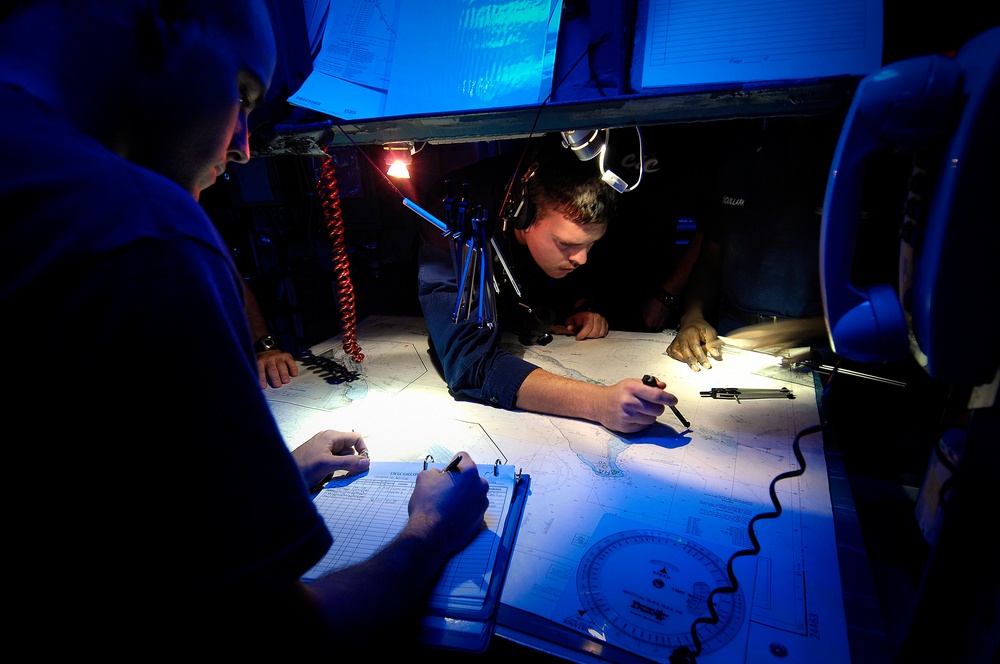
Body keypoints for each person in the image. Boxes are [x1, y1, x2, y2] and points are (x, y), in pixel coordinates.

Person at [0, 0, 488, 655]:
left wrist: (272, 479)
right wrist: (430, 528)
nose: (243, 146)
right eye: (244, 94)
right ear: (164, 22)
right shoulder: (139, 226)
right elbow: (280, 637)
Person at [417, 138, 678, 433]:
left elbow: (586, 263)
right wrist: (599, 403)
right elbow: (470, 365)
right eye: (567, 244)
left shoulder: (568, 210)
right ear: (523, 215)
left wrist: (583, 304)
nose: (582, 259)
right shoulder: (451, 217)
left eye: (592, 244)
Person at [665, 116, 843, 371]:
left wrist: (799, 330)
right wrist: (692, 316)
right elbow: (711, 260)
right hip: (732, 336)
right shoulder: (737, 165)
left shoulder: (839, 178)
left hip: (815, 347)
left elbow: (874, 295)